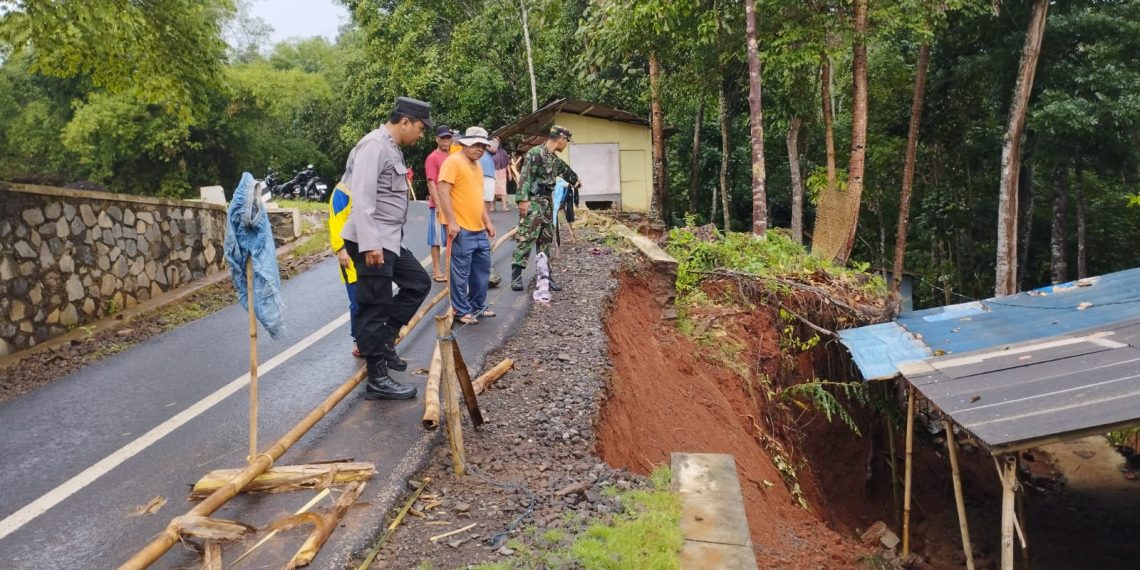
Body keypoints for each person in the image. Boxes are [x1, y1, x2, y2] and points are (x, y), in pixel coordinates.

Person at [341, 96, 434, 400]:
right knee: (374, 305)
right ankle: (377, 378)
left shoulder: (391, 147)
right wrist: (370, 245)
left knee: (418, 282)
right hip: (373, 240)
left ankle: (384, 342)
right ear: (405, 121)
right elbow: (363, 197)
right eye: (420, 127)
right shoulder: (374, 145)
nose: (421, 134)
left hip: (389, 239)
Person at [437, 126, 497, 325]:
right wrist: (452, 222)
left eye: (483, 146)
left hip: (478, 227)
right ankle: (461, 310)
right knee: (460, 272)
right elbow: (443, 192)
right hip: (460, 228)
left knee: (482, 270)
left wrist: (487, 221)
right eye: (476, 145)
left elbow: (477, 198)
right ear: (464, 143)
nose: (480, 149)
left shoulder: (478, 167)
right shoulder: (453, 162)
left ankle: (478, 305)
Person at [511, 125, 579, 292]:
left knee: (546, 241)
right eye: (566, 141)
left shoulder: (554, 159)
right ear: (561, 139)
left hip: (548, 202)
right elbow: (525, 176)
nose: (566, 144)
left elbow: (566, 171)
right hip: (533, 202)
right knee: (527, 238)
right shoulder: (536, 153)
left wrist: (576, 181)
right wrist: (522, 200)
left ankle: (545, 278)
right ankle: (516, 276)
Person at [328, 180, 360, 357]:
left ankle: (374, 338)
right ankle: (359, 340)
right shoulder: (342, 191)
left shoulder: (367, 183)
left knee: (374, 298)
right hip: (350, 253)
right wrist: (340, 249)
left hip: (368, 250)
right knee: (357, 300)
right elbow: (336, 221)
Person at [424, 125, 453, 282]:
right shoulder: (432, 157)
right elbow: (431, 182)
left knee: (452, 237)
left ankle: (450, 270)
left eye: (448, 137)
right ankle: (436, 270)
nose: (445, 141)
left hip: (453, 203)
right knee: (435, 239)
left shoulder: (454, 156)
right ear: (437, 139)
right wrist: (438, 205)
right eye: (443, 138)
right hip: (438, 204)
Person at [490, 137, 512, 212]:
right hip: (493, 172)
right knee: (494, 190)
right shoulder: (490, 152)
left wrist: (509, 173)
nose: (495, 143)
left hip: (502, 172)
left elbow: (507, 164)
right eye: (494, 141)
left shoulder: (503, 152)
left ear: (499, 143)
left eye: (496, 141)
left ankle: (504, 206)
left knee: (503, 189)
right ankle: (492, 206)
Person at [478, 134, 497, 214]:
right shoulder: (471, 145)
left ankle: (486, 218)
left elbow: (494, 148)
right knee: (477, 197)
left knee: (487, 198)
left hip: (489, 174)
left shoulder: (488, 144)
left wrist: (486, 145)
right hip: (476, 173)